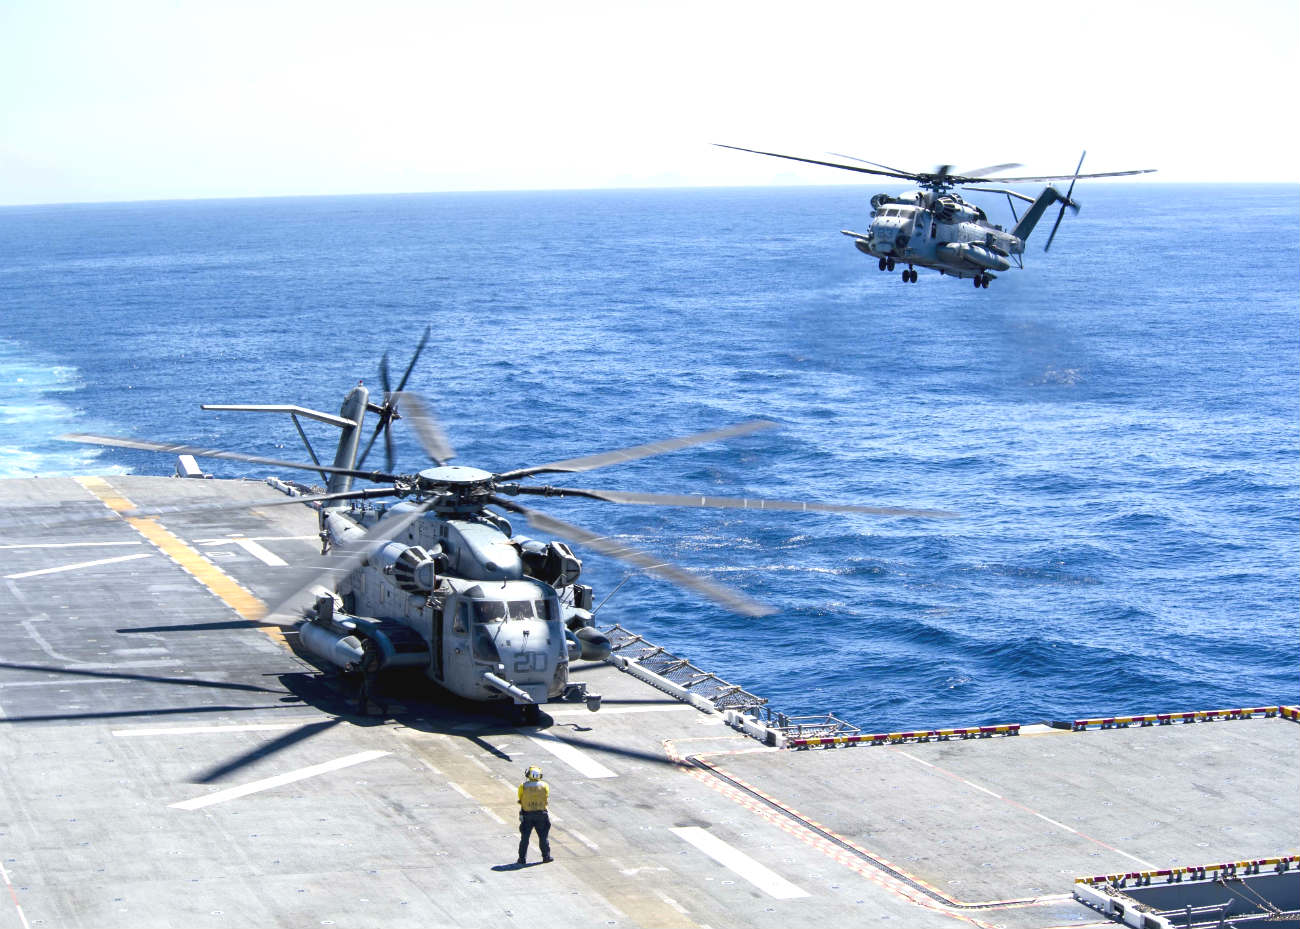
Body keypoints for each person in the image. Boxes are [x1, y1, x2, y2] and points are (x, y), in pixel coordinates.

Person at [517, 765, 552, 865]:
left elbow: (520, 797)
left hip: (527, 815)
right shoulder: (545, 785)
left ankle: (522, 859)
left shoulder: (523, 786)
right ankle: (546, 857)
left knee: (525, 838)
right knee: (543, 837)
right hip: (541, 814)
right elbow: (546, 796)